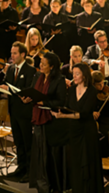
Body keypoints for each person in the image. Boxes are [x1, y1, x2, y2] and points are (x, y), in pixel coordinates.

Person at [51, 63, 104, 193]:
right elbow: (68, 106)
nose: (74, 76)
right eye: (73, 73)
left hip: (87, 132)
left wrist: (63, 116)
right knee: (76, 162)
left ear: (84, 75)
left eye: (77, 74)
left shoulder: (92, 91)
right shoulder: (72, 89)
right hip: (74, 131)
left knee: (88, 162)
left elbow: (85, 114)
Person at [26, 52, 67, 193]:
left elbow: (61, 101)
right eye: (40, 63)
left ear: (52, 66)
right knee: (38, 152)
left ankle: (50, 184)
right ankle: (40, 182)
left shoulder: (59, 80)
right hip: (38, 119)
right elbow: (33, 93)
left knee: (48, 156)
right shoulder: (38, 76)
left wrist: (45, 102)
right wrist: (28, 99)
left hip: (50, 122)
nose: (40, 66)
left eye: (43, 64)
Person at [0, 41, 36, 183]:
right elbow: (8, 85)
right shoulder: (10, 69)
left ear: (23, 54)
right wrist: (1, 88)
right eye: (11, 53)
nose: (12, 56)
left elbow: (27, 90)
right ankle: (21, 167)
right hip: (13, 110)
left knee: (27, 142)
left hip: (25, 111)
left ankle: (29, 170)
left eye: (14, 53)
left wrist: (10, 89)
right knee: (18, 142)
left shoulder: (30, 70)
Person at [43, 0, 70, 64]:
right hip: (51, 42)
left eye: (56, 6)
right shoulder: (47, 17)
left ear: (60, 7)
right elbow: (44, 31)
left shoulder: (64, 17)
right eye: (53, 6)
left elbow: (68, 29)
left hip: (62, 42)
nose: (55, 8)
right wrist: (50, 33)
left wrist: (61, 32)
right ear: (50, 6)